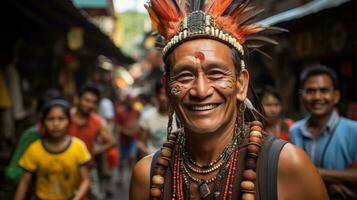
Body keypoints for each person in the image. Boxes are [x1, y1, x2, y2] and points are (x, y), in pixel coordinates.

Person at [130, 1, 328, 199]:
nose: (201, 90)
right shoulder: (147, 175)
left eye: (216, 74)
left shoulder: (287, 166)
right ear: (167, 89)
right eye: (185, 76)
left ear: (241, 84)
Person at [290, 65, 357, 199]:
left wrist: (312, 174)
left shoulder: (353, 130)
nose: (317, 96)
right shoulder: (295, 131)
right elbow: (291, 174)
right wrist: (330, 181)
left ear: (336, 96)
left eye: (324, 90)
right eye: (310, 91)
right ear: (302, 96)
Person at [14, 99, 91, 200]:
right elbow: (24, 183)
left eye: (61, 119)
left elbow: (85, 180)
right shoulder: (34, 149)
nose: (55, 124)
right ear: (43, 122)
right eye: (50, 119)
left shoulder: (78, 147)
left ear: (69, 121)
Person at [69, 84, 116, 199]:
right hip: (66, 167)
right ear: (78, 99)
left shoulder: (98, 122)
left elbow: (112, 141)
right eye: (87, 100)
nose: (90, 105)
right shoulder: (66, 118)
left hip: (88, 168)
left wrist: (94, 151)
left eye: (94, 102)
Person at [5, 89, 61, 185]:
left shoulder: (69, 137)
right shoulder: (31, 136)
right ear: (39, 115)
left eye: (59, 118)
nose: (55, 123)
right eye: (49, 117)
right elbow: (13, 173)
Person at [137, 80, 173, 156]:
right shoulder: (147, 117)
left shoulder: (180, 117)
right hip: (154, 163)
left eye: (167, 94)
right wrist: (151, 158)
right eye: (161, 94)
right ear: (156, 96)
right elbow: (141, 144)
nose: (164, 98)